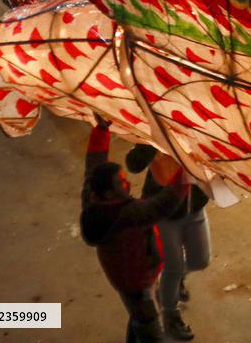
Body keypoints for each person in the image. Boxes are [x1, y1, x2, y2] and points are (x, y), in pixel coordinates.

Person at [80, 117, 185, 343]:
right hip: (139, 279)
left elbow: (93, 165)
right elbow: (164, 203)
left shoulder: (92, 199)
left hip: (123, 275)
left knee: (137, 315)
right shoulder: (128, 214)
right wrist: (188, 172)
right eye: (121, 183)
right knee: (150, 326)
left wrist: (101, 130)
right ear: (109, 193)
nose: (128, 185)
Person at [126, 143, 210, 341]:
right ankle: (170, 316)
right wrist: (152, 144)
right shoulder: (156, 132)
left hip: (195, 204)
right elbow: (133, 164)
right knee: (173, 267)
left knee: (200, 260)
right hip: (164, 211)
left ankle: (174, 281)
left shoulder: (199, 127)